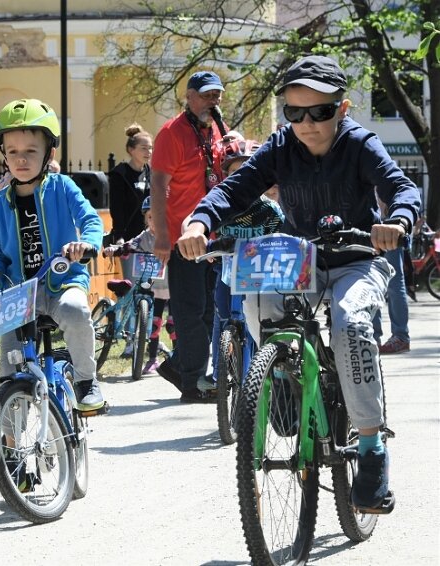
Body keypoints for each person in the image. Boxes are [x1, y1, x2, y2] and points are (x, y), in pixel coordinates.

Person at [178, 55, 421, 513]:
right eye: (295, 113)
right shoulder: (279, 148)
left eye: (320, 112)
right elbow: (233, 190)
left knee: (351, 324)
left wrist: (399, 220)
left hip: (357, 260)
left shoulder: (361, 145)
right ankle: (286, 376)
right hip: (301, 260)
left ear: (342, 109)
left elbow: (400, 186)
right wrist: (198, 222)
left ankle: (371, 450)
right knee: (257, 299)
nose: (307, 123)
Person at [0, 98, 105, 412]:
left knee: (75, 312)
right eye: (13, 152)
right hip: (20, 293)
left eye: (30, 151)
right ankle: (7, 441)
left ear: (49, 153)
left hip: (63, 283)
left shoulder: (63, 187)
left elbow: (90, 220)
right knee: (9, 369)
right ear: (4, 155)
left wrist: (85, 244)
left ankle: (87, 380)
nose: (20, 160)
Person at [151, 70, 228, 403]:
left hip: (214, 237)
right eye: (206, 95)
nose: (212, 102)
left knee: (212, 310)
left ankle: (180, 365)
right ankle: (193, 382)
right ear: (189, 96)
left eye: (217, 96)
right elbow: (157, 185)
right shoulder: (172, 133)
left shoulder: (217, 133)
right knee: (190, 310)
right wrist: (162, 236)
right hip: (184, 238)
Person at [205, 137, 284, 391]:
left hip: (261, 278)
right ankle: (219, 373)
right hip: (228, 273)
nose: (241, 180)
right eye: (234, 173)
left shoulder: (270, 210)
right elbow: (206, 232)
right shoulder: (222, 207)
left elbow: (284, 236)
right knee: (224, 318)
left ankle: (268, 370)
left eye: (247, 172)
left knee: (263, 323)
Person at [103, 196, 175, 376]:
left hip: (173, 285)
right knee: (154, 324)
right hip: (154, 286)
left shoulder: (172, 235)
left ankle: (177, 358)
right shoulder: (145, 237)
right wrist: (115, 249)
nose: (154, 221)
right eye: (150, 217)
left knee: (174, 326)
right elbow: (130, 245)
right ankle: (152, 359)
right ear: (145, 219)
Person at [372, 196, 411, 354]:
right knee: (370, 282)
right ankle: (372, 338)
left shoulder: (384, 173)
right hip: (370, 226)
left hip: (389, 224)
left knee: (394, 282)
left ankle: (400, 336)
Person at [108, 123, 153, 245]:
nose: (148, 152)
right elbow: (117, 209)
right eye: (144, 148)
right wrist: (119, 236)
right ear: (131, 150)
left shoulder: (152, 174)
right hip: (127, 238)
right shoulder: (120, 174)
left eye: (150, 148)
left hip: (150, 238)